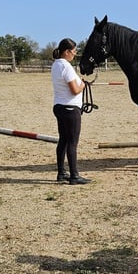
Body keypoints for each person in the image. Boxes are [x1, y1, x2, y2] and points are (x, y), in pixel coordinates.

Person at [51, 38, 91, 185]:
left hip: (59, 106)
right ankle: (74, 175)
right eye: (73, 52)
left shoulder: (56, 65)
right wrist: (83, 85)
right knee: (72, 143)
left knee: (63, 140)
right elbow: (75, 90)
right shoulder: (66, 67)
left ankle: (61, 172)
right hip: (70, 108)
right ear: (66, 51)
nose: (74, 54)